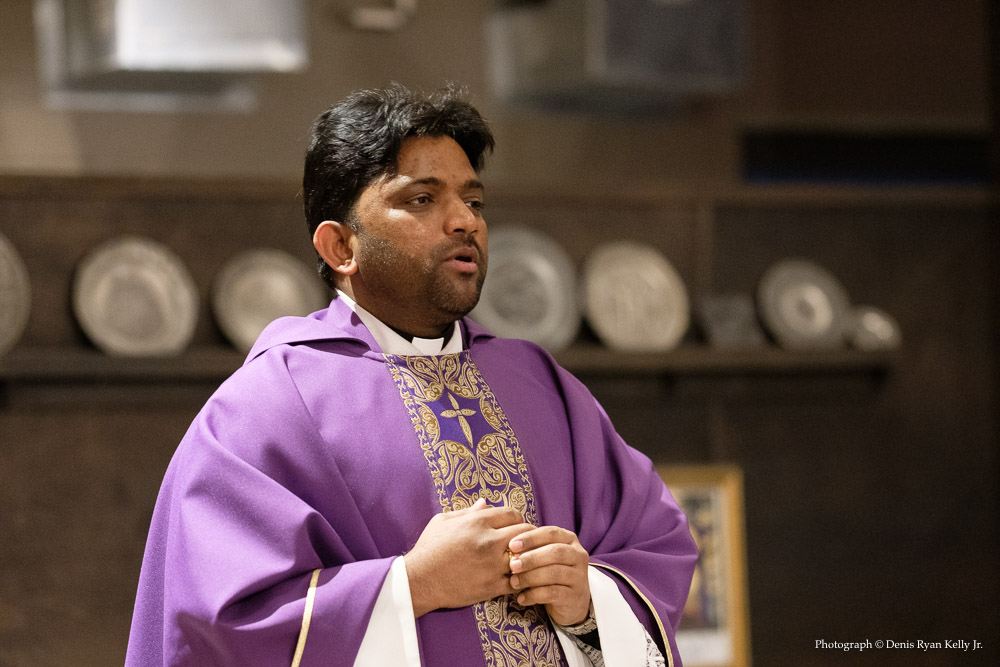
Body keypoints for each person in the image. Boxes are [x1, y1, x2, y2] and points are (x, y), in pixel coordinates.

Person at [126, 83, 697, 667]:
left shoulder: (540, 384)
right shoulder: (267, 408)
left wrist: (588, 600)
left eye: (473, 202)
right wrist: (413, 585)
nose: (464, 221)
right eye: (422, 199)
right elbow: (220, 627)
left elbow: (657, 547)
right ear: (340, 246)